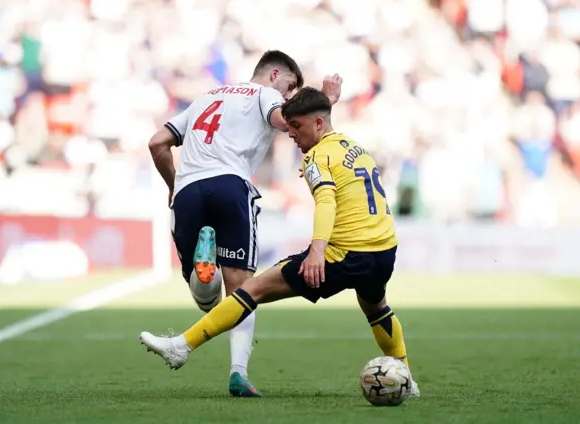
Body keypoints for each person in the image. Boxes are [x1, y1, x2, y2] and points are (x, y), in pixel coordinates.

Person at [141, 87, 419, 398]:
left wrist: (317, 251)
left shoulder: (317, 156)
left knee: (252, 289)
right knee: (376, 306)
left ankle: (181, 346)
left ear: (317, 124)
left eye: (296, 127)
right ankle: (407, 378)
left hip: (344, 254)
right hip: (383, 250)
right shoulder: (351, 145)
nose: (291, 134)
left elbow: (326, 202)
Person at [147, 51, 343, 397]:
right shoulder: (265, 95)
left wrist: (174, 186)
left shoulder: (206, 97)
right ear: (274, 75)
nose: (288, 97)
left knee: (204, 297)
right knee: (242, 290)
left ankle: (205, 272)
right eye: (289, 88)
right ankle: (238, 373)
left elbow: (158, 142)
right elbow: (285, 121)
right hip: (231, 185)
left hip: (189, 191)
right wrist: (325, 103)